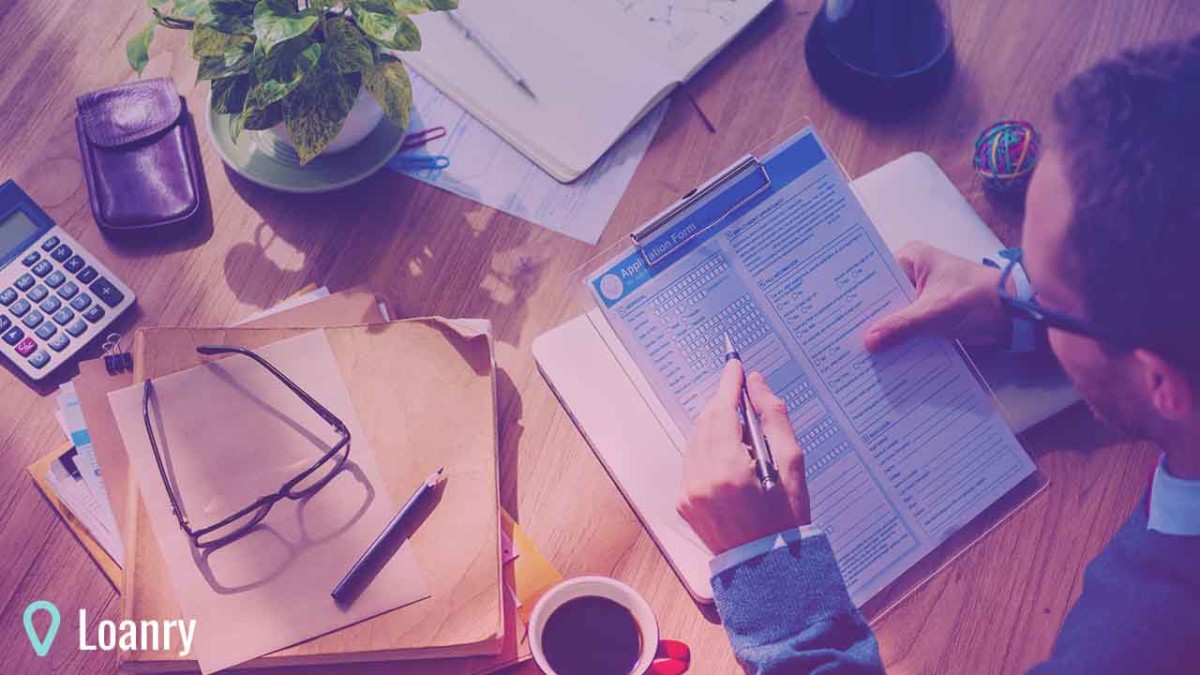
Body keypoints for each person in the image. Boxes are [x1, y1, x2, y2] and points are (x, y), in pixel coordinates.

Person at [677, 36, 1200, 674]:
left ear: (1160, 382)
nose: (1017, 281)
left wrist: (776, 588)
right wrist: (1018, 296)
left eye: (1049, 300)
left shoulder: (1141, 647)